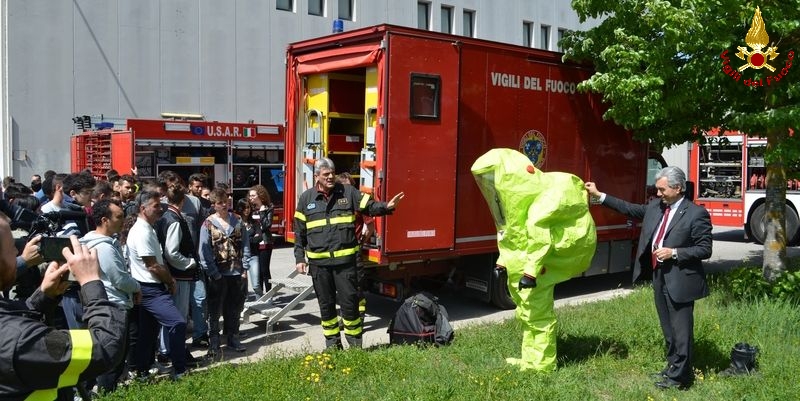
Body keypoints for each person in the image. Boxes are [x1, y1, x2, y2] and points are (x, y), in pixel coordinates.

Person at [585, 166, 712, 390]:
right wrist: (599, 195)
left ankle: (681, 378)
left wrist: (674, 253)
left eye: (662, 189)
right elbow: (629, 208)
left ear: (678, 188)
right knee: (668, 329)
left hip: (680, 279)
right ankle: (673, 367)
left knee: (681, 331)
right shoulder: (656, 206)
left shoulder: (696, 214)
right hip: (659, 276)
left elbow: (704, 249)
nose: (658, 194)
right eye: (658, 189)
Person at [471, 148, 597, 372]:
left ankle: (543, 365)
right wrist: (503, 261)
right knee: (526, 312)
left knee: (538, 315)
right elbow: (514, 236)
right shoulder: (518, 205)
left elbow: (540, 242)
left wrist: (530, 273)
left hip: (542, 266)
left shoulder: (542, 205)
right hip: (529, 265)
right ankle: (530, 360)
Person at [0, 220, 127, 400]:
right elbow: (104, 346)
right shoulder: (21, 341)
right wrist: (91, 283)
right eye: (12, 246)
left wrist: (43, 297)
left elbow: (11, 325)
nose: (16, 252)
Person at [294, 157, 404, 350]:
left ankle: (355, 347)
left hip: (345, 264)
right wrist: (299, 258)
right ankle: (333, 346)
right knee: (326, 306)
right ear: (317, 176)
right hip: (320, 267)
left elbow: (370, 206)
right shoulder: (306, 199)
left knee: (350, 305)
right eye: (326, 174)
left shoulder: (348, 192)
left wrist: (386, 206)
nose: (330, 177)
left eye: (332, 173)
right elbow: (299, 232)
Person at [79, 199, 140, 393]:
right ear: (105, 220)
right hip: (113, 305)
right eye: (119, 217)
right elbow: (119, 279)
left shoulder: (100, 242)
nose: (123, 220)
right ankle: (106, 394)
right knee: (113, 359)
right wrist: (137, 287)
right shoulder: (103, 247)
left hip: (107, 303)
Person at [127, 190, 188, 379]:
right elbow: (153, 265)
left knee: (148, 332)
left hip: (148, 288)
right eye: (156, 206)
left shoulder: (148, 228)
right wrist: (170, 281)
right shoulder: (141, 232)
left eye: (161, 205)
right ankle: (179, 369)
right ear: (142, 209)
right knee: (177, 323)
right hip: (150, 289)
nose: (160, 209)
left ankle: (143, 371)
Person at [199, 188, 250, 357]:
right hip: (217, 274)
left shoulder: (237, 220)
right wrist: (213, 273)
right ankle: (214, 341)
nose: (224, 205)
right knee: (214, 310)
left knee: (234, 308)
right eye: (220, 203)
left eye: (226, 202)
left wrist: (244, 268)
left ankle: (233, 338)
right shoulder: (208, 223)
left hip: (236, 272)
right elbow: (204, 251)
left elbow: (245, 245)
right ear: (214, 205)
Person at [336, 172, 374, 318]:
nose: (349, 189)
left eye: (350, 185)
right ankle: (345, 316)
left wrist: (361, 242)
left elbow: (370, 226)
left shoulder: (359, 202)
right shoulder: (334, 202)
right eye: (345, 186)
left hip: (353, 251)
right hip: (337, 251)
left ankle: (360, 316)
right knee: (341, 287)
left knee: (356, 286)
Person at [247, 184, 274, 298]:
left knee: (264, 271)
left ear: (260, 195)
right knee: (256, 272)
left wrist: (262, 212)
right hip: (253, 243)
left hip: (265, 243)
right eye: (250, 195)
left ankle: (269, 296)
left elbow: (267, 225)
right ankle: (260, 297)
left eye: (253, 195)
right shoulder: (250, 209)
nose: (251, 197)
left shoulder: (268, 208)